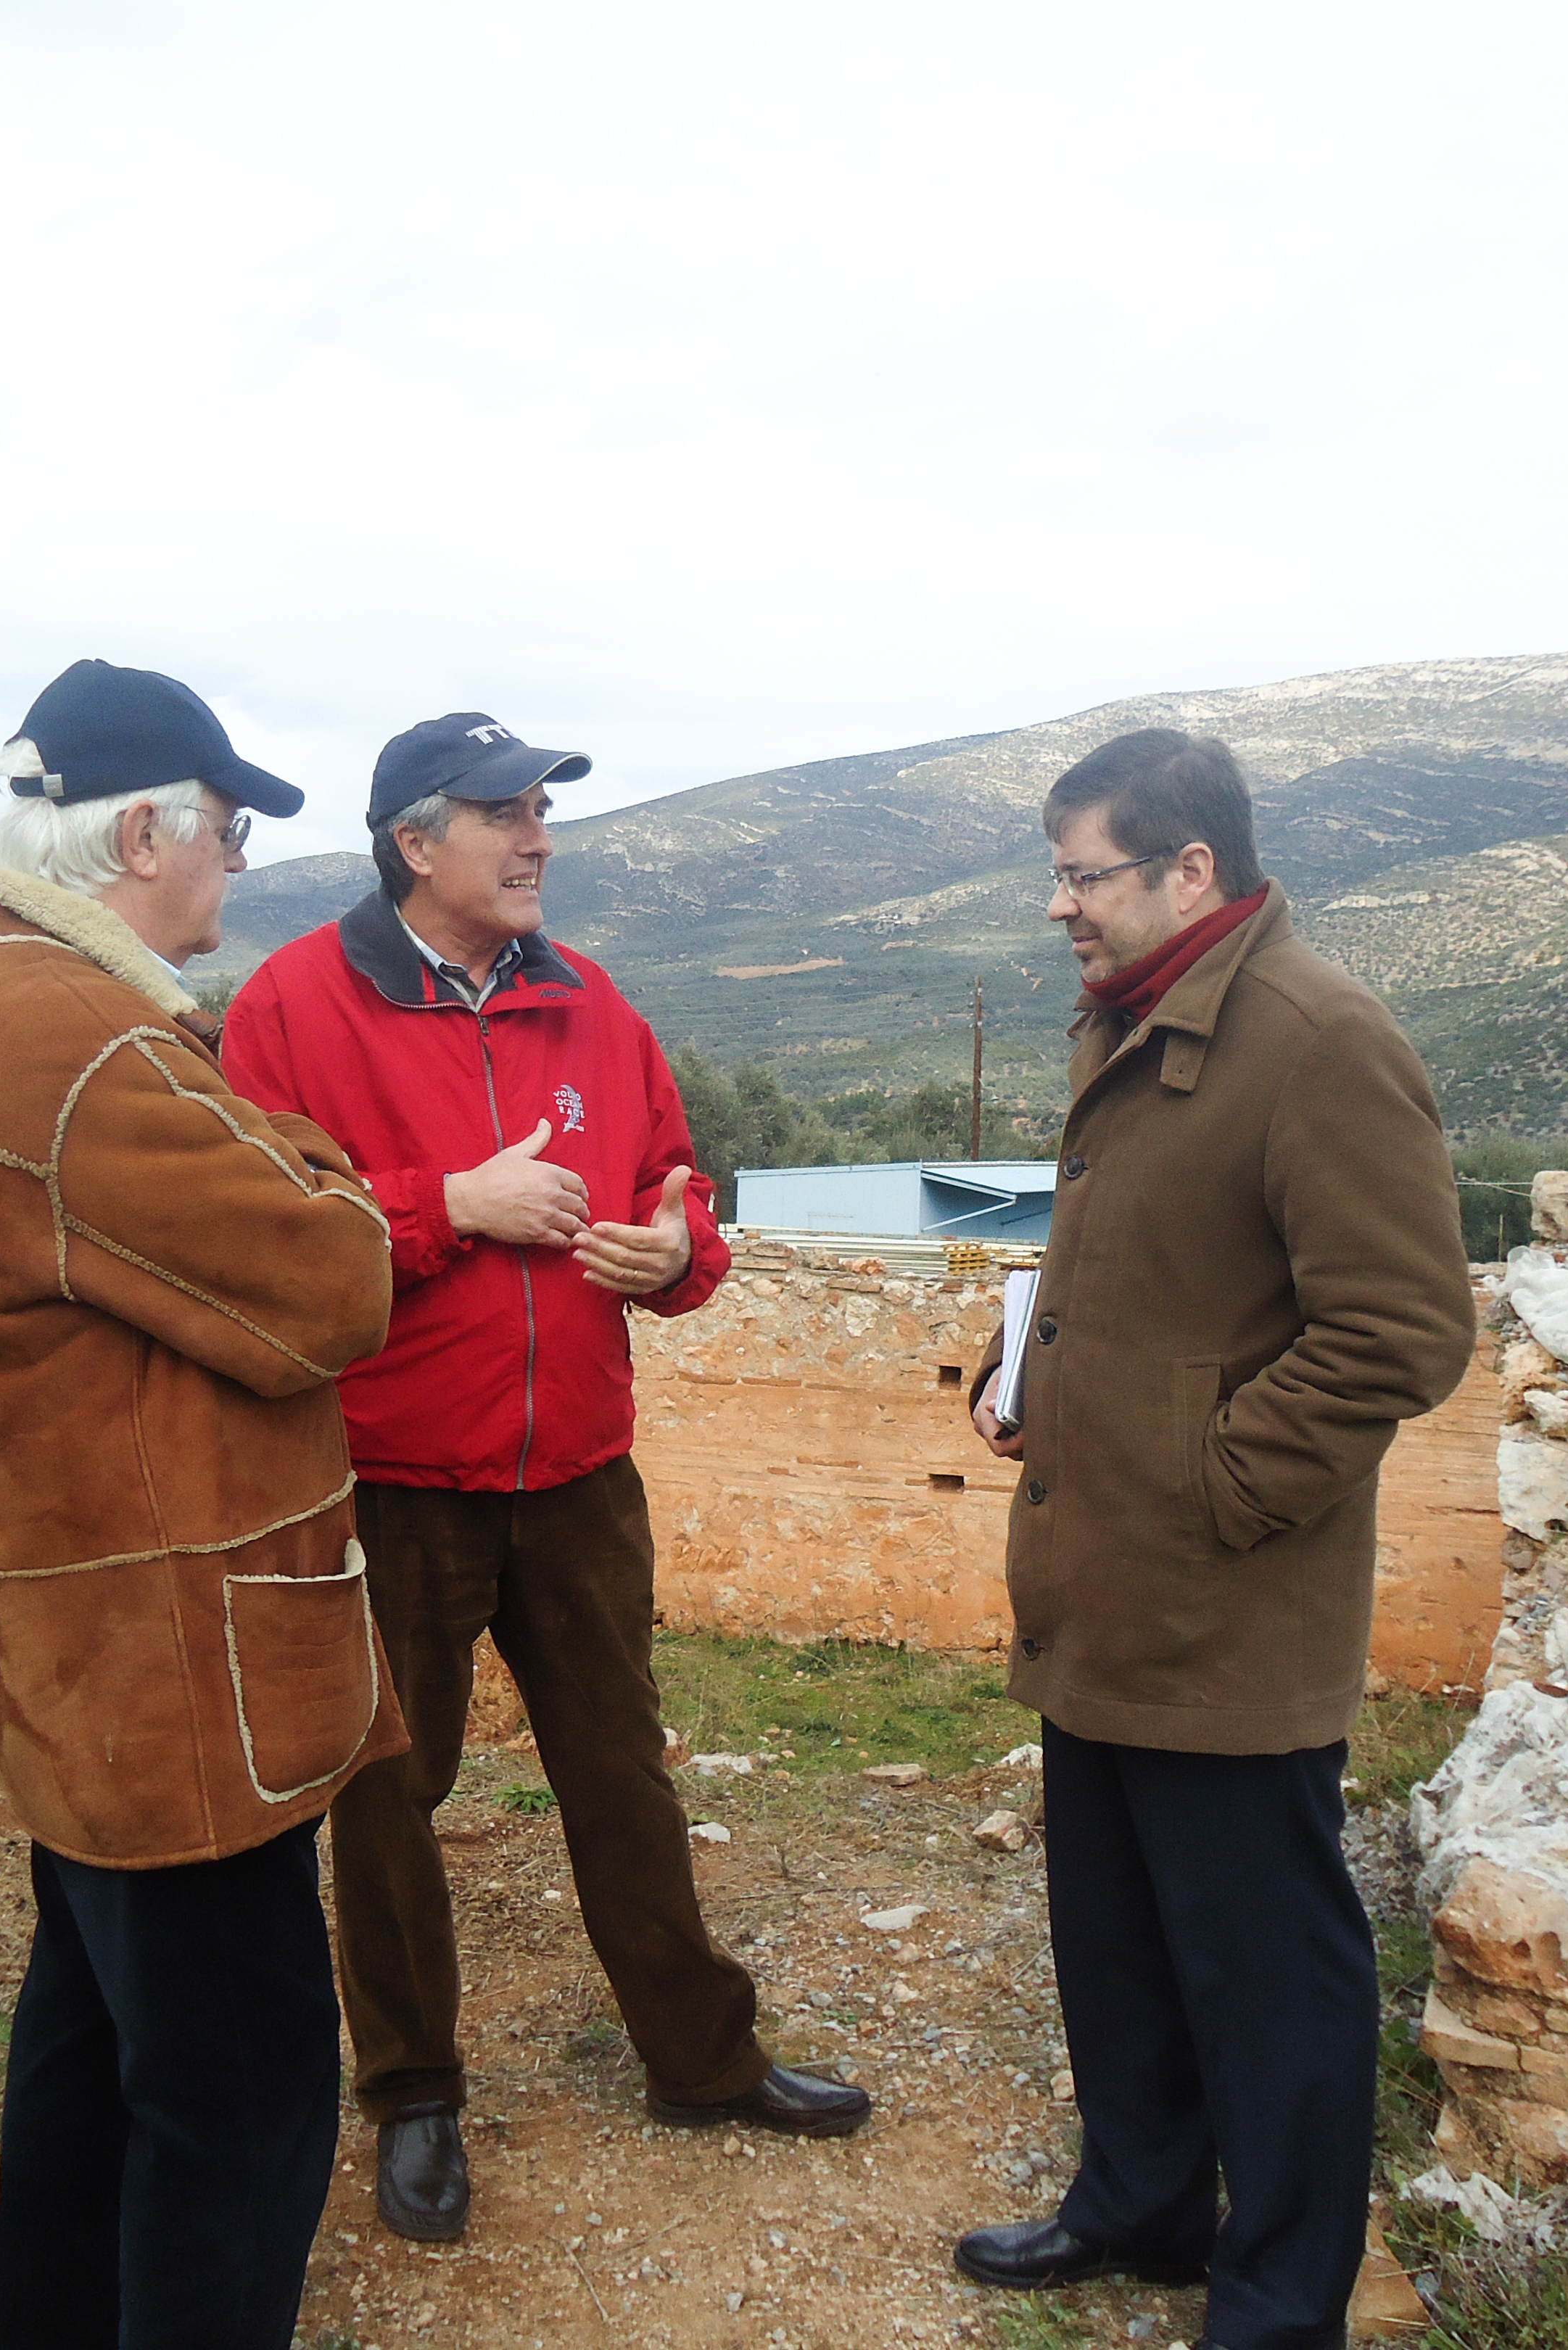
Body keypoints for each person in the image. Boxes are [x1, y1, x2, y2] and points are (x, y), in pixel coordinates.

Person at [220, 711, 872, 2243]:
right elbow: (256, 1238)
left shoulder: (596, 1006)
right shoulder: (293, 1009)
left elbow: (678, 1187)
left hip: (577, 1475)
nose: (539, 840)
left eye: (542, 812)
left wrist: (676, 1255)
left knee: (623, 1776)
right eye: (505, 813)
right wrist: (451, 1202)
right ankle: (413, 2095)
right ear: (414, 841)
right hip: (389, 1478)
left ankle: (702, 2062)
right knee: (389, 1799)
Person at [0, 659, 405, 2350]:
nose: (241, 866)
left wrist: (280, 1149)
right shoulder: (85, 1041)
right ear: (139, 833)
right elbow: (333, 1278)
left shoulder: (18, 999)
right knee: (241, 2099)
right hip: (173, 1683)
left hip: (87, 1658)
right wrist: (313, 1162)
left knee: (96, 2060)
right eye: (231, 832)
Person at [952, 730, 1477, 2350]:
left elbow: (1399, 1329)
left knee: (1271, 1978)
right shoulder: (1133, 1017)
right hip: (1105, 1588)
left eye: (1081, 872)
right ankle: (1144, 2205)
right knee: (1114, 1943)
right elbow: (1153, 1272)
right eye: (1056, 873)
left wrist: (1209, 1475)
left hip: (1226, 1601)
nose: (1059, 907)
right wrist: (1026, 1364)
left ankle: (1280, 2296)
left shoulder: (1315, 1038)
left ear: (1192, 870)